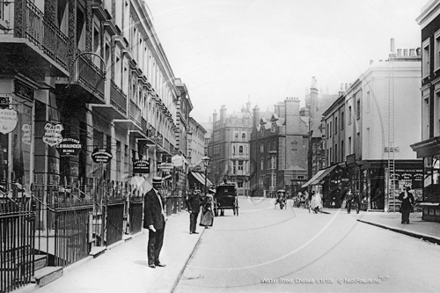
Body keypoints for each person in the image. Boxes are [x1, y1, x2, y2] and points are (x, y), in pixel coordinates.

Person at [143, 177, 167, 269]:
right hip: (154, 223)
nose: (159, 185)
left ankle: (157, 260)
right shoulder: (149, 195)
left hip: (161, 221)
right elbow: (147, 211)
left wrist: (164, 216)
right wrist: (150, 224)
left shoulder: (159, 194)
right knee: (152, 242)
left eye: (160, 183)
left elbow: (161, 208)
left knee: (159, 242)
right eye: (158, 184)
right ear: (154, 184)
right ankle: (151, 261)